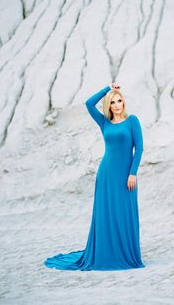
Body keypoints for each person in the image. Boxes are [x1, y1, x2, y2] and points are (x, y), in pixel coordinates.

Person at [44, 83, 145, 271]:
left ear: (124, 102)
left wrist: (133, 173)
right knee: (106, 213)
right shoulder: (104, 122)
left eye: (119, 100)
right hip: (106, 174)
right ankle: (107, 253)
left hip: (126, 175)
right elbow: (89, 104)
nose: (117, 105)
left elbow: (138, 148)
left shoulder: (132, 121)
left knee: (125, 212)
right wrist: (107, 89)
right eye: (113, 102)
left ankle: (125, 254)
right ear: (108, 105)